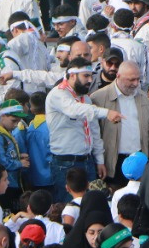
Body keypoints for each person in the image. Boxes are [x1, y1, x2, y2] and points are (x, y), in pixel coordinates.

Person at [45, 58, 121, 188]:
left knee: (90, 200)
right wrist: (106, 113)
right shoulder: (58, 94)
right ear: (72, 75)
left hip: (87, 160)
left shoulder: (85, 98)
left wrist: (99, 160)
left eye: (91, 76)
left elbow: (94, 130)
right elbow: (74, 110)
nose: (90, 80)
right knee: (67, 200)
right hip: (65, 162)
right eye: (86, 76)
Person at [90, 60, 149, 182]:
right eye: (131, 80)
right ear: (118, 76)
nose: (136, 84)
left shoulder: (142, 97)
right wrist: (99, 161)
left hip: (138, 159)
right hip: (113, 162)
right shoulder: (98, 98)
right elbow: (94, 134)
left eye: (138, 79)